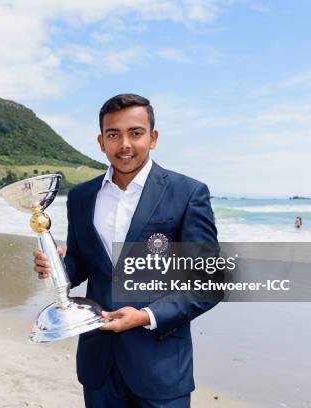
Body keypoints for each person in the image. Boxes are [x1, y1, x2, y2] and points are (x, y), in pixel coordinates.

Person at [33, 94, 222, 407]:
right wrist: (55, 266)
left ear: (153, 137)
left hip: (160, 365)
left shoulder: (188, 193)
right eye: (113, 134)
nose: (124, 144)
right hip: (98, 365)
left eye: (135, 133)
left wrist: (146, 316)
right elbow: (82, 262)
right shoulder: (81, 196)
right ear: (101, 141)